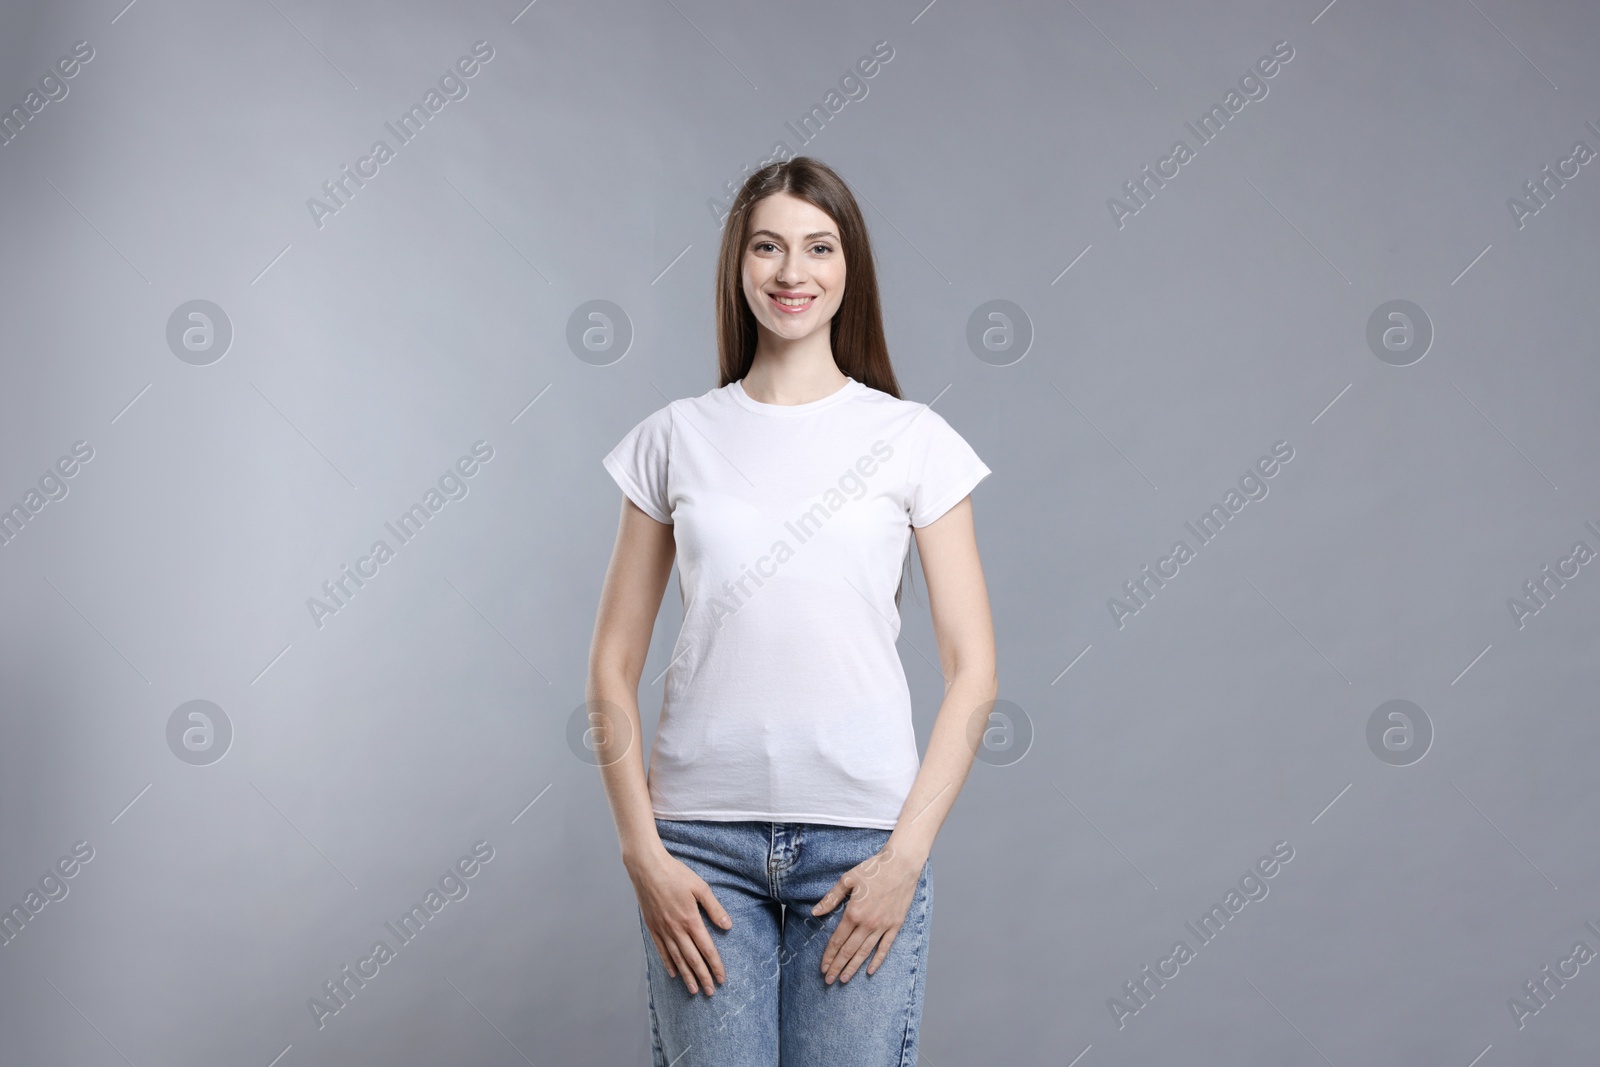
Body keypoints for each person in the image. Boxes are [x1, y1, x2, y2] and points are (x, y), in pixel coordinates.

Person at [587, 155, 998, 1066]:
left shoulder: (912, 439)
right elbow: (610, 666)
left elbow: (975, 670)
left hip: (862, 852)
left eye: (818, 247)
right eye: (768, 246)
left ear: (848, 269)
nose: (791, 271)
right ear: (739, 265)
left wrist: (907, 856)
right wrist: (642, 854)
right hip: (700, 851)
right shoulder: (675, 437)